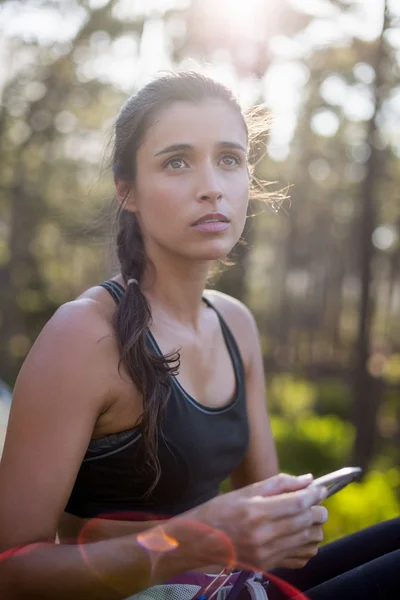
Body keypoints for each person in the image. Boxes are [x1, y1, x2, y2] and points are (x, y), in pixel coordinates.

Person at [0, 72, 398, 600]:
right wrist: (195, 541)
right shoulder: (83, 335)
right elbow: (11, 572)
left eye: (230, 159)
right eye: (177, 162)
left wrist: (286, 524)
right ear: (128, 191)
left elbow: (259, 514)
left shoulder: (235, 324)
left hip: (237, 584)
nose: (211, 185)